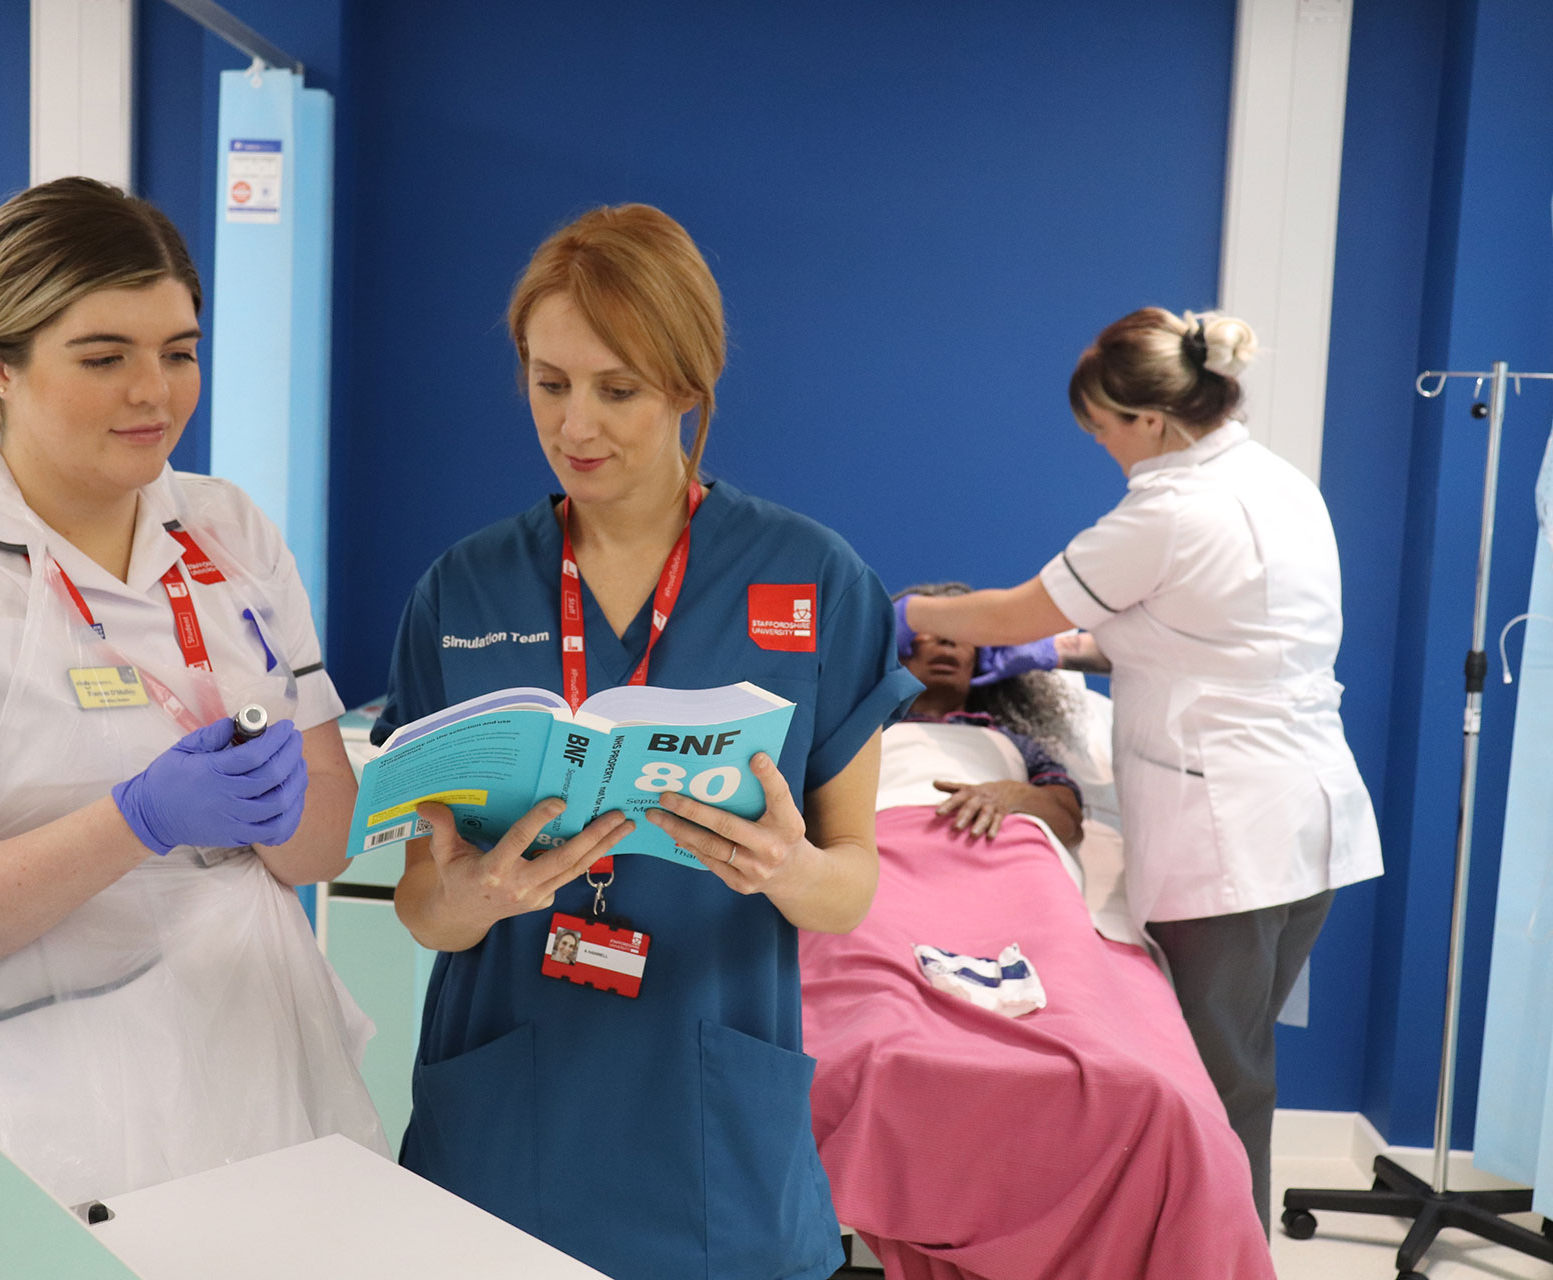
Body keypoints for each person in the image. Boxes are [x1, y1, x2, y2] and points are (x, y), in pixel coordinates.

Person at [0, 177, 384, 1204]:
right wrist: (136, 820)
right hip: (41, 1111)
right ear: (0, 365)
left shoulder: (230, 530)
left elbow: (324, 840)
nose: (154, 392)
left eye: (179, 350)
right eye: (105, 356)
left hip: (262, 1064)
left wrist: (284, 807)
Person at [372, 204, 918, 1279]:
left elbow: (852, 886)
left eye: (616, 388)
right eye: (549, 381)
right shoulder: (461, 588)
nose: (577, 424)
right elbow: (420, 907)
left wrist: (786, 867)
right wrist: (472, 896)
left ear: (687, 381)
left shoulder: (811, 578)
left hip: (712, 1122)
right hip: (506, 1112)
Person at [896, 307, 1383, 1227]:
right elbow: (1195, 635)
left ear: (1149, 420)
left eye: (1104, 430)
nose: (1105, 449)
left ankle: (1219, 1256)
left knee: (1210, 1082)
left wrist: (900, 615)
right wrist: (1057, 656)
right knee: (1233, 1065)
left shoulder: (1165, 508)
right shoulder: (1278, 483)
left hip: (1230, 833)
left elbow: (1008, 614)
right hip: (1305, 816)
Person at [891, 582, 1083, 849]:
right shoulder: (852, 731)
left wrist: (1010, 794)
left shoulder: (1016, 743)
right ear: (892, 649)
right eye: (925, 629)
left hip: (1006, 861)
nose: (947, 638)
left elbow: (1070, 825)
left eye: (962, 632)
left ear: (981, 659)